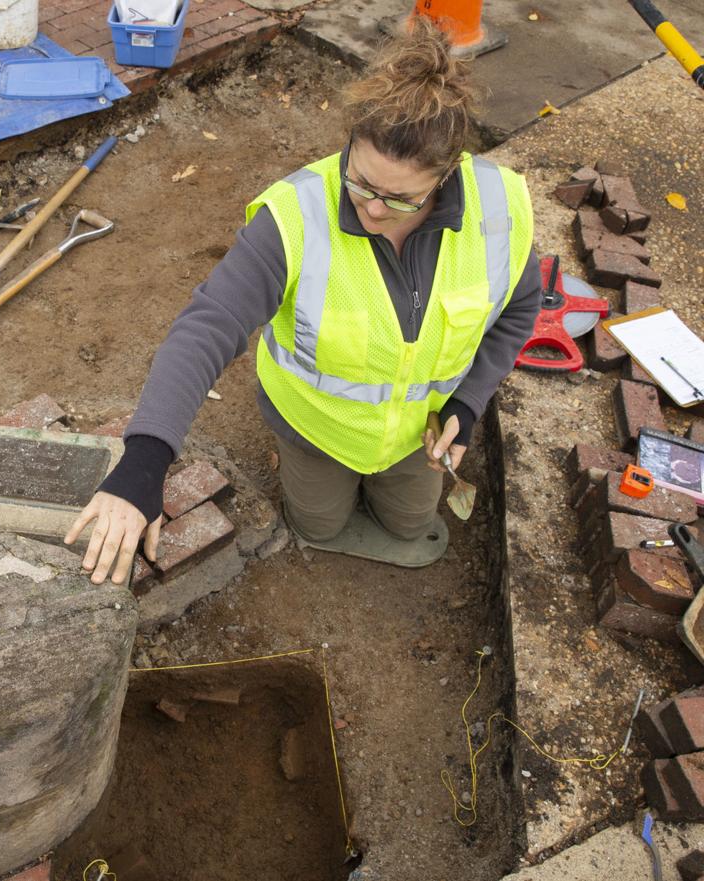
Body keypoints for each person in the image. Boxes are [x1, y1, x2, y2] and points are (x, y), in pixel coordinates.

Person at [65, 18, 543, 584]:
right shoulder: (293, 218)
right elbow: (206, 328)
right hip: (315, 425)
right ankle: (320, 491)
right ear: (349, 144)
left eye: (400, 198)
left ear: (447, 174)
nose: (370, 209)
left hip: (420, 428)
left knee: (411, 524)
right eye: (360, 181)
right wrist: (145, 462)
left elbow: (516, 314)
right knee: (319, 525)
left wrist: (467, 403)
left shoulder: (499, 209)